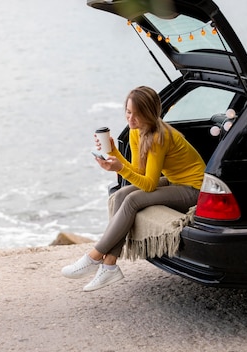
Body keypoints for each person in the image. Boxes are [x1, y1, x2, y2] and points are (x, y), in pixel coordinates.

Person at [61, 86, 206, 291]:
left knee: (133, 200)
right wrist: (114, 153)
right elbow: (138, 172)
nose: (131, 119)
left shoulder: (158, 137)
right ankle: (109, 266)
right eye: (128, 112)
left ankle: (93, 257)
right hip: (176, 181)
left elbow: (148, 184)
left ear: (151, 114)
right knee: (121, 195)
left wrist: (120, 167)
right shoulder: (135, 131)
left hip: (195, 189)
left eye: (137, 115)